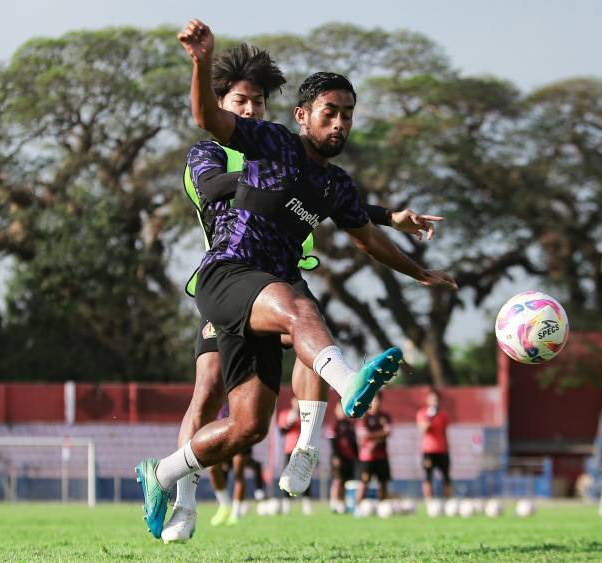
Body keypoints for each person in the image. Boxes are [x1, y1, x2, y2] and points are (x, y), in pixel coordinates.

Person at [137, 18, 456, 539]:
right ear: (303, 116)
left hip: (268, 291)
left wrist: (419, 271)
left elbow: (369, 240)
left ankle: (164, 473)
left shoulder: (336, 185)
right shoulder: (274, 144)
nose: (340, 124)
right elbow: (206, 118)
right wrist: (200, 60)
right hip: (229, 273)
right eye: (330, 113)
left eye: (348, 116)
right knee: (298, 309)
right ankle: (349, 384)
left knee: (249, 426)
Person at [278, 397, 313, 515]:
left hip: (304, 451)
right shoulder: (285, 414)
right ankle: (286, 505)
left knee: (305, 476)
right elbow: (282, 430)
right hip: (290, 450)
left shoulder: (307, 415)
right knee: (288, 477)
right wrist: (291, 420)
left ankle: (307, 505)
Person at [355, 394, 391, 508]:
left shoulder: (384, 417)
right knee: (364, 482)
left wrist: (373, 438)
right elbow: (364, 435)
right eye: (374, 400)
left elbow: (388, 432)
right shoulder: (363, 416)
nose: (376, 403)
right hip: (367, 457)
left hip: (382, 455)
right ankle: (358, 507)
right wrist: (380, 435)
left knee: (383, 483)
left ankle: (383, 508)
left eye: (378, 400)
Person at [417, 386, 451, 500]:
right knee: (428, 477)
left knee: (446, 477)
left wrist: (447, 449)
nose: (434, 402)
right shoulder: (422, 414)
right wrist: (430, 417)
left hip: (442, 450)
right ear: (428, 400)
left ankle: (447, 501)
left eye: (436, 400)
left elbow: (445, 433)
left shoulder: (443, 415)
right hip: (428, 451)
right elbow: (423, 430)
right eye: (432, 400)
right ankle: (429, 502)